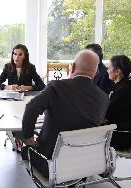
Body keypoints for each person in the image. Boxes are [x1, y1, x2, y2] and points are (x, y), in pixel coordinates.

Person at [20, 49, 109, 178]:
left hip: (50, 164)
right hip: (84, 164)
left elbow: (31, 109)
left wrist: (28, 138)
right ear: (96, 73)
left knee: (24, 149)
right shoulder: (104, 98)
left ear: (72, 67)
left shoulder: (57, 87)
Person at [105, 55, 131, 151]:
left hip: (121, 137)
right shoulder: (125, 87)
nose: (107, 71)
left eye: (109, 68)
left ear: (117, 71)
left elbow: (108, 115)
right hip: (122, 134)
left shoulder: (123, 90)